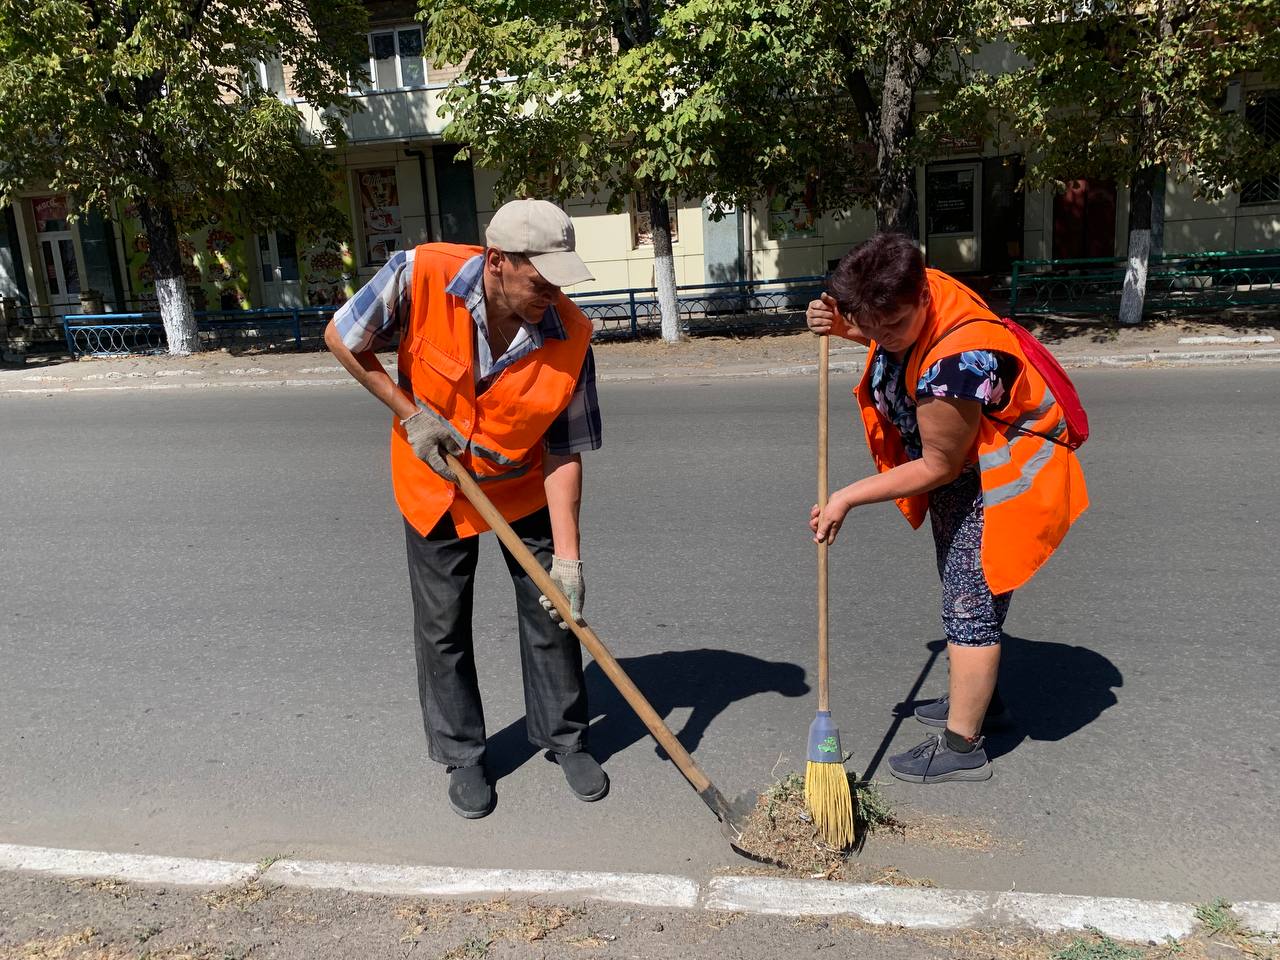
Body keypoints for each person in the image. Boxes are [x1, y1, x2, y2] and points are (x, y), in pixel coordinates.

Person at [323, 198, 607, 819]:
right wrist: (410, 413)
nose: (553, 294)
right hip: (435, 480)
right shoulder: (418, 273)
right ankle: (463, 754)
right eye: (541, 279)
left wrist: (568, 559)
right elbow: (343, 337)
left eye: (562, 279)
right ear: (498, 261)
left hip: (520, 485)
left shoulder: (572, 335)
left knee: (551, 613)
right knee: (442, 625)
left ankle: (565, 737)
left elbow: (565, 451)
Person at [805, 232, 1088, 783]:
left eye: (893, 326)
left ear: (922, 297)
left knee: (970, 609)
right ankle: (982, 701)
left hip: (997, 483)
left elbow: (939, 463)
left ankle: (963, 746)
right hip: (966, 476)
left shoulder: (958, 362)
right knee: (964, 599)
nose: (880, 339)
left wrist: (845, 497)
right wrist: (844, 326)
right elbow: (887, 332)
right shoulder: (916, 290)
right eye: (870, 325)